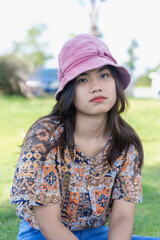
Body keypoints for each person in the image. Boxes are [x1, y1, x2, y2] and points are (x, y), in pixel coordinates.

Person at [10, 34, 159, 240]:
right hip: (43, 235)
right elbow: (48, 224)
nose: (96, 86)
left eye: (104, 75)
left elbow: (123, 217)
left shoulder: (125, 143)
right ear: (69, 90)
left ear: (115, 81)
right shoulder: (45, 137)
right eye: (82, 79)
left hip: (97, 233)